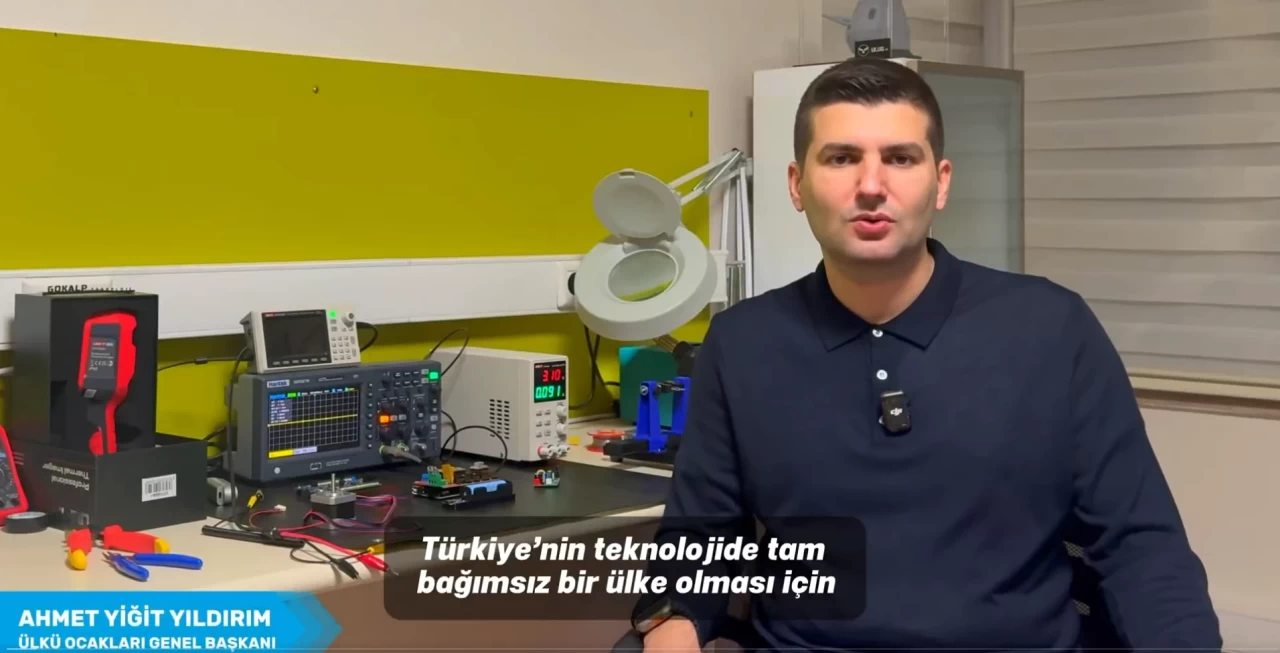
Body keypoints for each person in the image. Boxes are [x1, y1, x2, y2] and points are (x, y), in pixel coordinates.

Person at [631, 57, 1222, 651]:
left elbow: (1141, 544)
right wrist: (672, 623)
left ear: (940, 182)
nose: (871, 185)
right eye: (841, 158)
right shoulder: (742, 344)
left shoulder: (1050, 328)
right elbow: (695, 548)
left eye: (899, 158)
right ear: (796, 184)